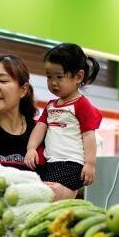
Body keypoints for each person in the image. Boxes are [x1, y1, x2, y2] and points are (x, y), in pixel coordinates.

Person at [24, 43, 103, 200]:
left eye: (59, 77)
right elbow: (40, 128)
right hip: (51, 163)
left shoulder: (82, 105)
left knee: (54, 196)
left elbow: (89, 136)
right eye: (49, 77)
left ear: (78, 77)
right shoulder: (51, 106)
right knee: (45, 196)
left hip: (72, 163)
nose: (53, 82)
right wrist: (31, 148)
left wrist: (90, 164)